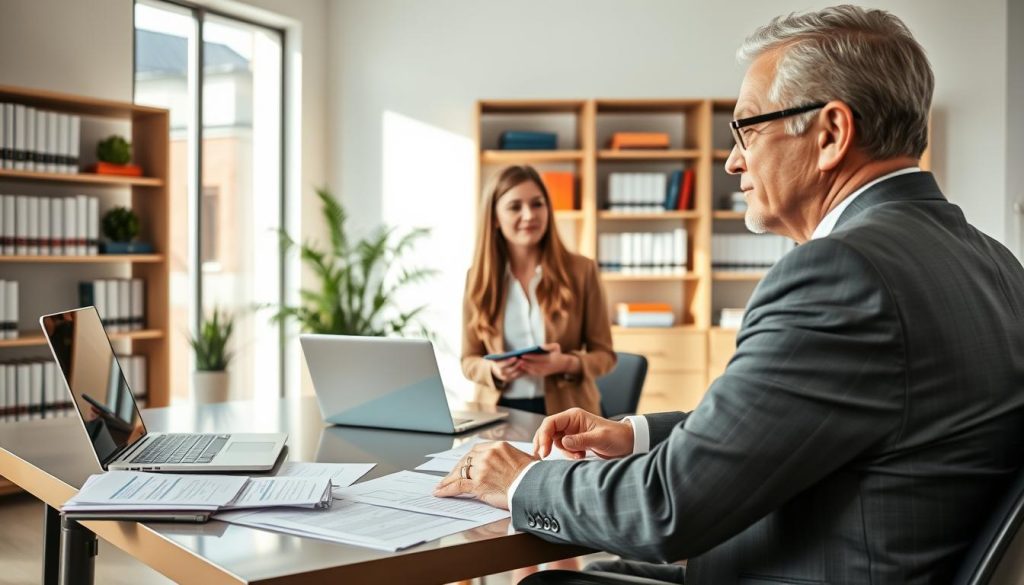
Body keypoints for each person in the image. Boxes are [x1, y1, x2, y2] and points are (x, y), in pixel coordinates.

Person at [435, 6, 1024, 584]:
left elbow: (668, 508)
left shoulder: (839, 274)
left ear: (831, 134)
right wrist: (637, 434)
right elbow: (803, 419)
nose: (733, 160)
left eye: (747, 128)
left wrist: (516, 480)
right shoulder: (995, 262)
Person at [462, 165, 616, 416]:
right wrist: (493, 371)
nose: (529, 215)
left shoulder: (581, 271)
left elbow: (605, 355)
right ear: (495, 218)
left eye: (537, 204)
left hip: (567, 411)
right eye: (515, 207)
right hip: (498, 414)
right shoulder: (478, 278)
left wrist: (566, 363)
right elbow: (469, 359)